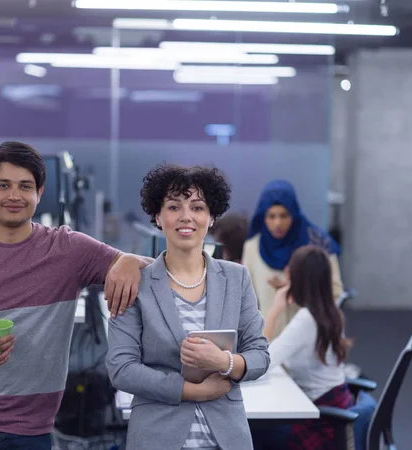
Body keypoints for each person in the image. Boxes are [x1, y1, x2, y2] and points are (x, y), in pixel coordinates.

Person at [0, 141, 150, 450]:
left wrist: (127, 259)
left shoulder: (68, 251)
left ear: (39, 193)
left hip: (30, 428)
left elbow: (149, 268)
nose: (14, 195)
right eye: (3, 185)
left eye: (25, 186)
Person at [106, 165, 270, 450]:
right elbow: (122, 368)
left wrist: (224, 363)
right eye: (173, 207)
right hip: (157, 437)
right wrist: (193, 391)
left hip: (226, 439)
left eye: (197, 207)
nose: (186, 216)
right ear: (158, 217)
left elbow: (259, 355)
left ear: (211, 217)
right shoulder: (136, 283)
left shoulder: (236, 278)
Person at [264, 245, 353, 450]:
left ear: (299, 278)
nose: (286, 270)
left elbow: (264, 361)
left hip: (320, 421)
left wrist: (275, 310)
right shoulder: (330, 310)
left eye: (291, 269)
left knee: (257, 434)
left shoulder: (307, 319)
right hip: (333, 407)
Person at [243, 180, 343, 338]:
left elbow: (336, 292)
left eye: (284, 215)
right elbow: (247, 298)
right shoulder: (252, 247)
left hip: (309, 339)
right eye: (271, 216)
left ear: (294, 214)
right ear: (263, 217)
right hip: (268, 338)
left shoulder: (319, 244)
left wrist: (298, 290)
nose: (278, 223)